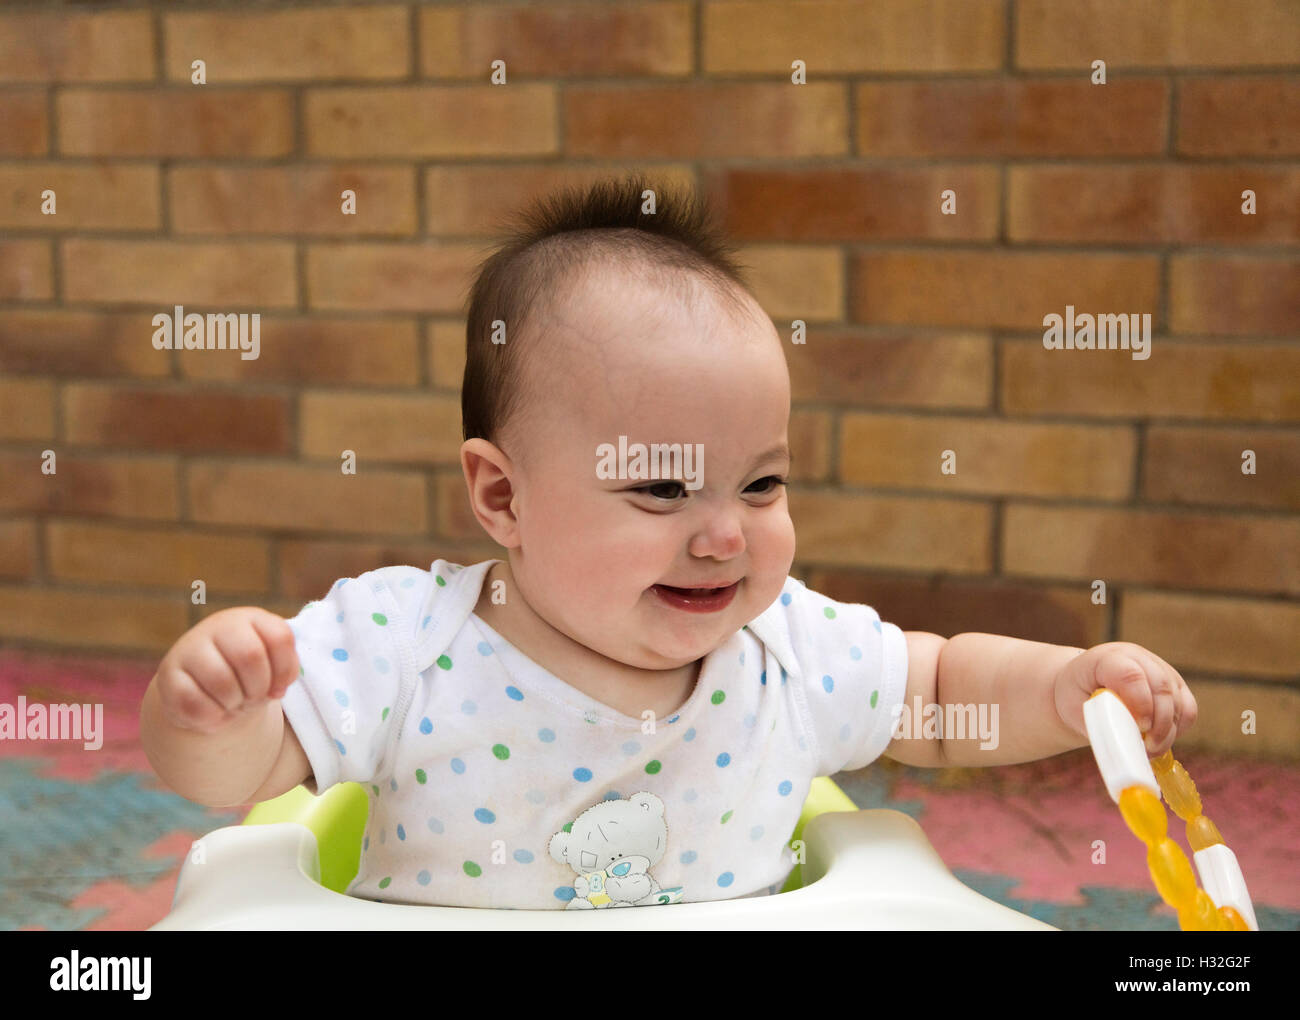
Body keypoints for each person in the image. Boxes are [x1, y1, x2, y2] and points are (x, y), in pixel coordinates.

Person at [140, 173, 1196, 910]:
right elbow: (248, 771)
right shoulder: (404, 643)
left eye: (763, 482)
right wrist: (214, 712)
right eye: (661, 487)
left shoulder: (787, 649)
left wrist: (1069, 687)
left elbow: (939, 691)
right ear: (502, 497)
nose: (726, 534)